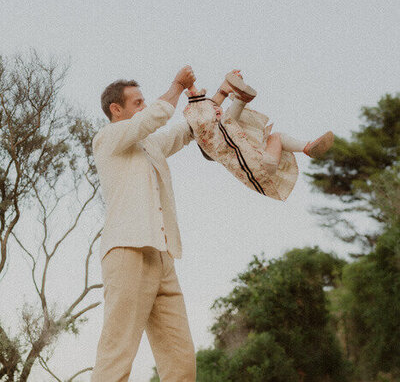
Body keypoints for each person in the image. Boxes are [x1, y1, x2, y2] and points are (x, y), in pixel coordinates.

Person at [91, 65, 197, 382]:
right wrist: (177, 84)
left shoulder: (148, 146)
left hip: (161, 255)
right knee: (118, 352)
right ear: (116, 109)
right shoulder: (107, 138)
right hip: (127, 249)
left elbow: (181, 133)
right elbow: (151, 120)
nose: (145, 106)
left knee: (181, 359)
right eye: (137, 102)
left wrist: (214, 100)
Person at [184, 70, 334, 201]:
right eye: (214, 111)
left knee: (276, 137)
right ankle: (240, 97)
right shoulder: (215, 136)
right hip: (258, 166)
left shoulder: (229, 134)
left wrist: (232, 85)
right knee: (227, 124)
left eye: (218, 109)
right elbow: (200, 117)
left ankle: (307, 147)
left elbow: (215, 113)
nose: (217, 109)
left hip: (264, 164)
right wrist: (191, 86)